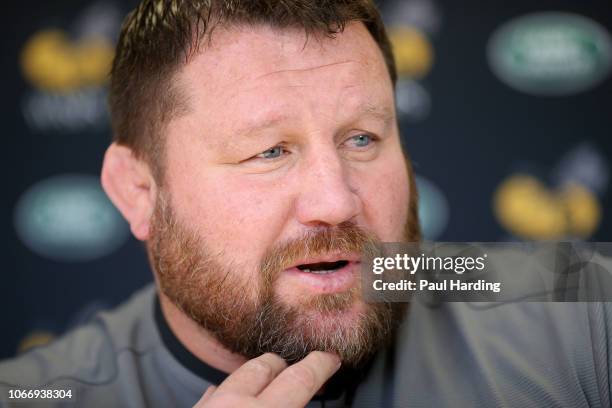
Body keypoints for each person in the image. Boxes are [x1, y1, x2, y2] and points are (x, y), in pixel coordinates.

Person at [1, 1, 611, 407]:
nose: (336, 200)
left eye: (363, 139)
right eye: (269, 151)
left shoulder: (576, 316)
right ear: (139, 191)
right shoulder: (35, 393)